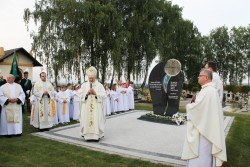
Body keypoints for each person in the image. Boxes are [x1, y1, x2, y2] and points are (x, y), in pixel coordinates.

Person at [181, 68, 227, 167]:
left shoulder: (209, 91)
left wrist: (189, 106)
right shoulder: (209, 90)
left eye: (200, 76)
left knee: (201, 153)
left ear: (206, 78)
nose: (198, 77)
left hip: (204, 132)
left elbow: (198, 109)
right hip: (206, 127)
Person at [78, 66, 105, 141]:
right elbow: (79, 94)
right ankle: (87, 136)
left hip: (96, 107)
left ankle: (96, 136)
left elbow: (103, 94)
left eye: (92, 78)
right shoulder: (84, 85)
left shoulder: (99, 85)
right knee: (86, 119)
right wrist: (86, 94)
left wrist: (95, 93)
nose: (91, 80)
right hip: (86, 107)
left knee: (96, 120)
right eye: (89, 78)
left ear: (95, 77)